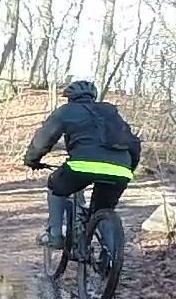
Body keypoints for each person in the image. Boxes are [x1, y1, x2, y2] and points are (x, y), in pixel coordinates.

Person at [22, 80, 142, 247]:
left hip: (82, 165)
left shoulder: (65, 111)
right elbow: (133, 143)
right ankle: (111, 260)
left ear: (70, 98)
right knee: (102, 210)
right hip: (122, 168)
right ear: (93, 97)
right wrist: (130, 166)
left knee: (56, 186)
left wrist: (32, 160)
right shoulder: (110, 112)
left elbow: (43, 140)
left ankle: (55, 235)